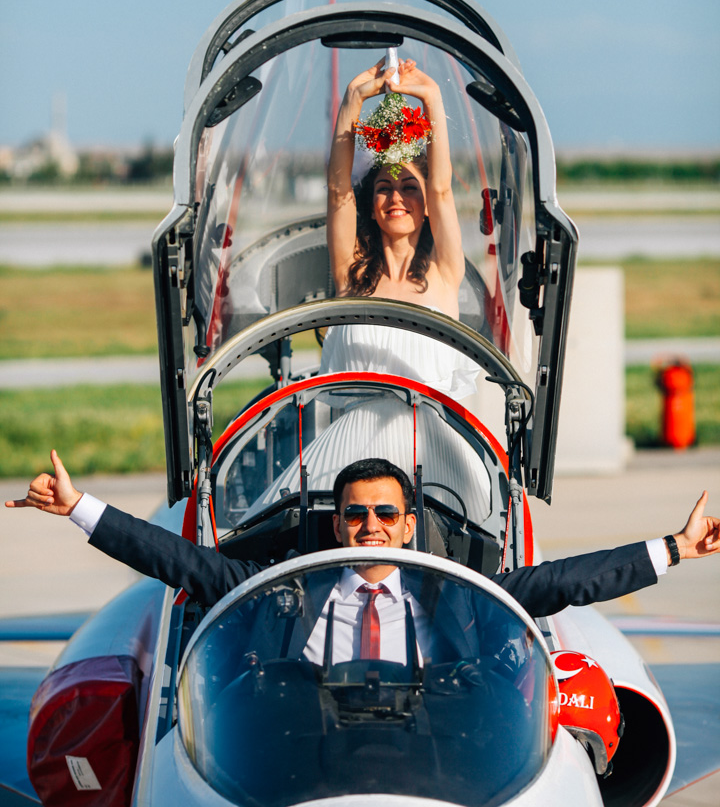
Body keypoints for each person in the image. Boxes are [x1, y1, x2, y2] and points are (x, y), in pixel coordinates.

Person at [7, 453, 720, 666]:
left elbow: (566, 581)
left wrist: (678, 547)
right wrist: (78, 507)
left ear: (408, 526)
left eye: (384, 514)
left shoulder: (457, 594)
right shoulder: (281, 590)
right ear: (337, 524)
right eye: (355, 514)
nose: (369, 526)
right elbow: (175, 561)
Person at [246, 57, 492, 524]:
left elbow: (443, 188)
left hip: (432, 452)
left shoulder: (444, 271)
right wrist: (352, 100)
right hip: (353, 453)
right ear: (371, 203)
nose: (396, 197)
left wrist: (431, 97)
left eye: (409, 187)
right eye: (383, 187)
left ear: (426, 205)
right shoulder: (352, 272)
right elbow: (337, 188)